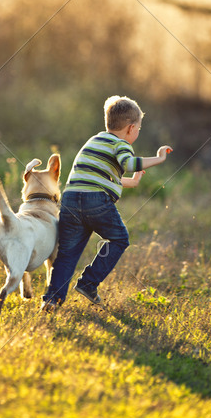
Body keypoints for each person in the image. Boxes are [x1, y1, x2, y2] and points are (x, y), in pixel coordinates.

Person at [41, 95, 172, 312]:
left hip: (72, 200)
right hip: (95, 201)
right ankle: (88, 283)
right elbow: (129, 163)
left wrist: (131, 182)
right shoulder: (121, 144)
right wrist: (159, 158)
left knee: (67, 254)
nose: (137, 132)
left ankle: (51, 300)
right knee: (119, 239)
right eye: (139, 128)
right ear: (131, 128)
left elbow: (97, 175)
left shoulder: (94, 141)